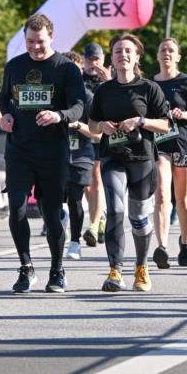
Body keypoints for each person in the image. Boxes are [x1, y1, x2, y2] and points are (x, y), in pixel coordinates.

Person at [0, 14, 86, 293]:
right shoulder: (14, 66)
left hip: (53, 151)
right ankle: (26, 267)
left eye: (41, 42)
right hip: (20, 150)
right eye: (30, 42)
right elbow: (5, 102)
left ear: (52, 38)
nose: (35, 47)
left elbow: (78, 106)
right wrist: (6, 118)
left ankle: (57, 270)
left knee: (51, 213)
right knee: (17, 206)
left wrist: (59, 115)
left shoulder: (65, 69)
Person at [89, 33, 170, 293]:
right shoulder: (103, 91)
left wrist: (141, 121)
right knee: (114, 210)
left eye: (128, 51)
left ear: (136, 57)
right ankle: (115, 270)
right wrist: (103, 126)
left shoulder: (149, 88)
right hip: (113, 158)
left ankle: (141, 267)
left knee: (138, 218)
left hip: (142, 160)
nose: (122, 55)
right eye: (118, 51)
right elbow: (92, 126)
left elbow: (167, 124)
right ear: (111, 58)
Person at [151, 38, 187, 268]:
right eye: (163, 50)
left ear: (178, 56)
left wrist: (184, 115)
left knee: (182, 199)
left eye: (171, 50)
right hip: (160, 144)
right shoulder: (150, 84)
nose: (167, 53)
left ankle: (186, 241)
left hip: (185, 143)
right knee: (161, 194)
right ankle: (161, 247)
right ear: (158, 56)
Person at [63, 51, 101, 260]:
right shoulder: (53, 94)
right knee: (48, 199)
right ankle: (60, 217)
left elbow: (98, 132)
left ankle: (75, 242)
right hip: (55, 152)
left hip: (82, 153)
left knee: (76, 198)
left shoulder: (87, 97)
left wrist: (77, 125)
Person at [81, 42, 109, 246]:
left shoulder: (108, 80)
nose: (94, 63)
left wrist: (107, 81)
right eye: (90, 59)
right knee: (87, 186)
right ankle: (100, 217)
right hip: (81, 133)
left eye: (97, 59)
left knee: (96, 177)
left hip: (101, 133)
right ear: (83, 60)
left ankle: (93, 223)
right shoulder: (77, 79)